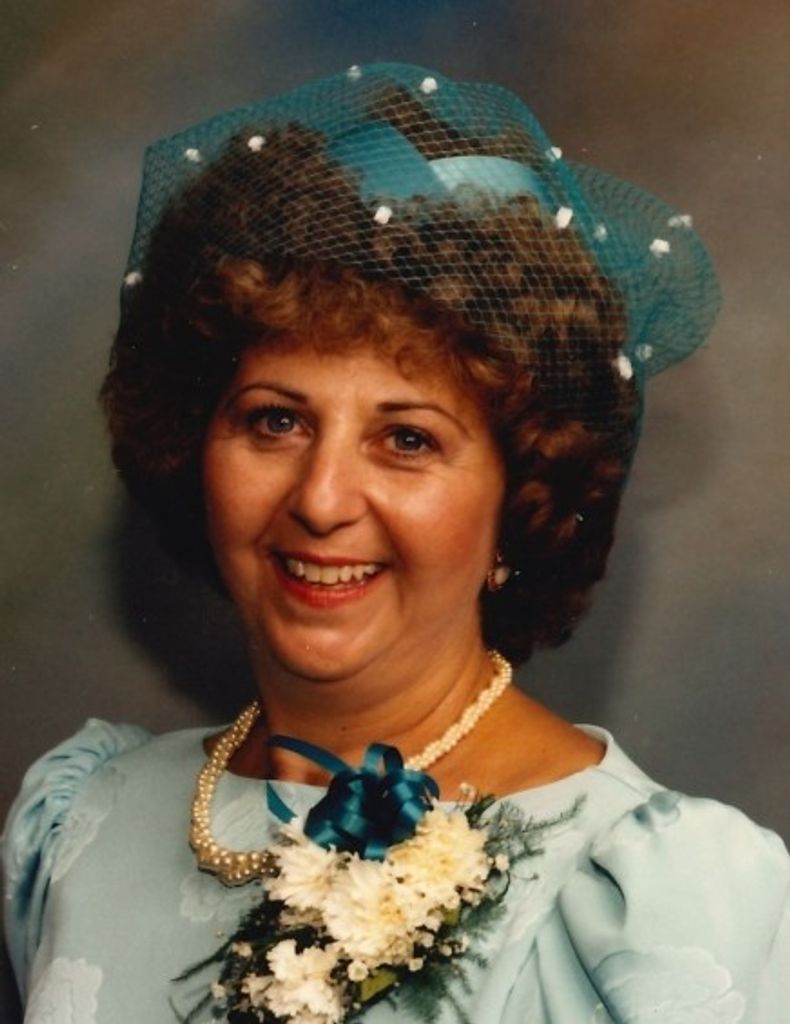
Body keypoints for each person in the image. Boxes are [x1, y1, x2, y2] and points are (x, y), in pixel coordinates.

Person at [3, 63, 788, 1024]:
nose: (322, 499)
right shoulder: (82, 823)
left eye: (407, 439)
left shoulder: (645, 900)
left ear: (521, 503)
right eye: (275, 421)